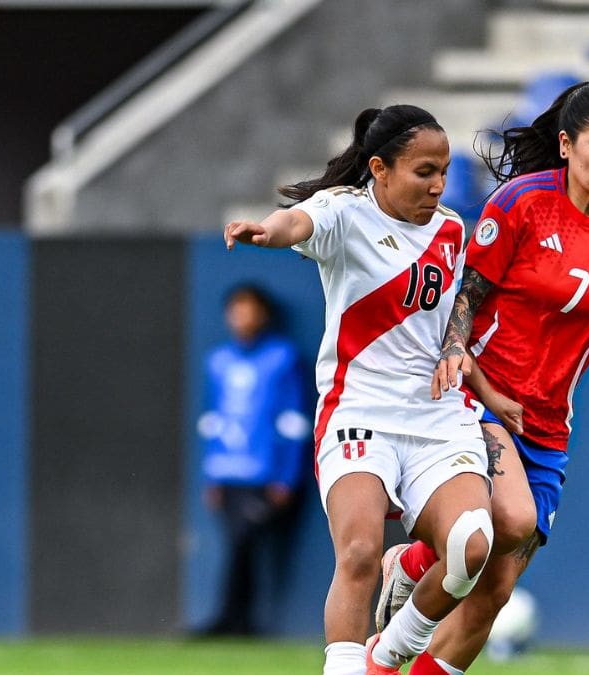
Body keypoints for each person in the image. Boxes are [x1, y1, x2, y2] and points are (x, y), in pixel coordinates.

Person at [374, 81, 589, 675]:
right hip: (476, 396)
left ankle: (412, 586)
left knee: (493, 593)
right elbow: (467, 294)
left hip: (546, 424)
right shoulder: (521, 202)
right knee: (511, 519)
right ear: (567, 145)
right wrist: (457, 355)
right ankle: (401, 603)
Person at [223, 105, 509, 675]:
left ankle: (387, 653)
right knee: (358, 553)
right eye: (424, 171)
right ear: (380, 168)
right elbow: (295, 223)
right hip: (359, 412)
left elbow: (451, 328)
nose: (438, 185)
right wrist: (266, 232)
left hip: (436, 416)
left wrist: (486, 390)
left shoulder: (452, 229)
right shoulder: (344, 211)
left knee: (471, 547)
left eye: (443, 171)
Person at [196, 283, 310, 636]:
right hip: (227, 473)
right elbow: (214, 418)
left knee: (244, 542)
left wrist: (286, 477)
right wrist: (211, 474)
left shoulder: (283, 358)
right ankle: (233, 620)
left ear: (264, 314)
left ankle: (234, 620)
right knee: (237, 543)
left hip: (264, 475)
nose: (241, 317)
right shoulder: (218, 361)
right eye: (236, 309)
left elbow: (294, 420)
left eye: (249, 309)